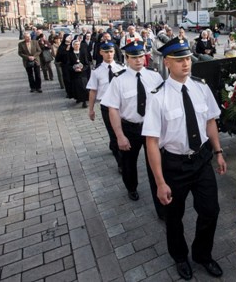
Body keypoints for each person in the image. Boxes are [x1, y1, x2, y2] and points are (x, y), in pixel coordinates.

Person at [143, 37, 227, 280]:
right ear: (167, 63)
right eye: (179, 60)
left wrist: (219, 152)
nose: (186, 63)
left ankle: (202, 254)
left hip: (201, 160)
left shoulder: (201, 87)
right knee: (174, 217)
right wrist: (160, 182)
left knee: (210, 210)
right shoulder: (157, 96)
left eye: (188, 58)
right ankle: (180, 256)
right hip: (174, 164)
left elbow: (210, 122)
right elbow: (151, 142)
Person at [102, 41, 165, 217]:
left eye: (141, 56)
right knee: (129, 163)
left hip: (152, 128)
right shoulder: (118, 80)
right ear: (127, 58)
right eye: (134, 57)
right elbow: (112, 109)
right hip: (130, 128)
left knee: (155, 166)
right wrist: (120, 136)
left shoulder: (154, 76)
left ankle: (161, 209)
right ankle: (131, 187)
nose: (138, 60)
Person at [86, 42, 126, 173]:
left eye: (111, 51)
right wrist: (91, 109)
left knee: (123, 133)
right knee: (114, 136)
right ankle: (121, 163)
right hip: (107, 107)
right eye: (106, 52)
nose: (109, 54)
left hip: (121, 106)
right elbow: (93, 91)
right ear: (101, 53)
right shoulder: (96, 71)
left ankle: (122, 153)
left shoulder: (122, 68)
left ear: (114, 52)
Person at [68, 40, 91, 107]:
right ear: (73, 46)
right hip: (74, 74)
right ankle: (78, 98)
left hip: (83, 74)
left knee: (84, 87)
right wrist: (74, 68)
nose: (77, 46)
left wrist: (82, 69)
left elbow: (87, 64)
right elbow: (68, 65)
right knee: (77, 88)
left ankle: (84, 101)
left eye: (78, 44)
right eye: (75, 44)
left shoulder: (83, 53)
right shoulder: (70, 54)